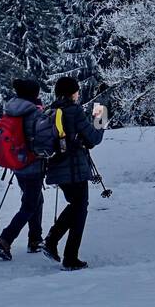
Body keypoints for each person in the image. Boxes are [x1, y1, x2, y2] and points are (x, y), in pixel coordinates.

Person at [41, 76, 106, 271]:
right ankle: (70, 257)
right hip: (74, 169)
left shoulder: (50, 110)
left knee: (76, 206)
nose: (78, 94)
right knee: (80, 209)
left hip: (56, 168)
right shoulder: (74, 111)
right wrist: (100, 113)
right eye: (76, 91)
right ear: (72, 93)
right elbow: (94, 138)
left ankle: (52, 241)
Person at [0, 77, 47, 261]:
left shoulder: (11, 109)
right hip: (33, 164)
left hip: (17, 164)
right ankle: (5, 239)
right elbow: (41, 141)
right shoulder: (35, 113)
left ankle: (35, 240)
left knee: (35, 200)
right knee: (30, 204)